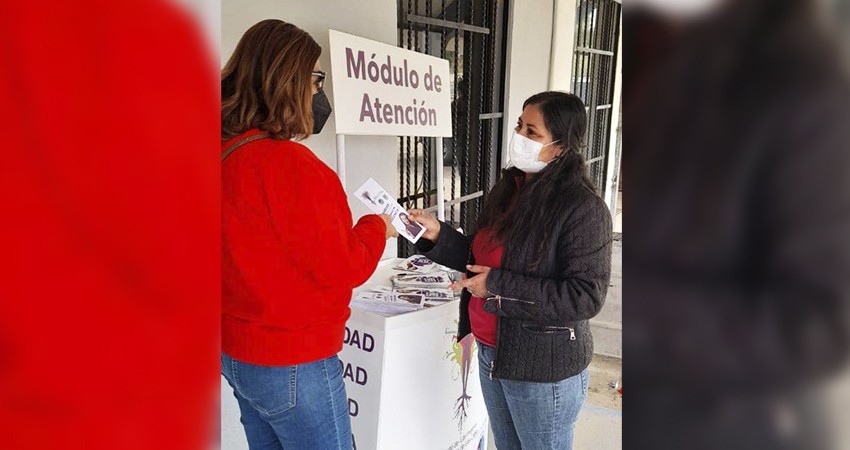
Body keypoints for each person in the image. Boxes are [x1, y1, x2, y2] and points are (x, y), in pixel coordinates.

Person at [220, 19, 397, 450]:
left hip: (234, 349)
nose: (319, 92)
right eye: (316, 79)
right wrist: (377, 225)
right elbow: (344, 266)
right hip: (293, 358)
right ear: (288, 81)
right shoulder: (292, 167)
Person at [410, 91, 612, 449]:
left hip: (542, 370)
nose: (519, 136)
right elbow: (479, 258)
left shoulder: (582, 208)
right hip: (492, 354)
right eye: (520, 125)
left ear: (560, 146)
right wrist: (438, 235)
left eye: (532, 132)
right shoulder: (510, 189)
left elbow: (585, 296)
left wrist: (498, 286)